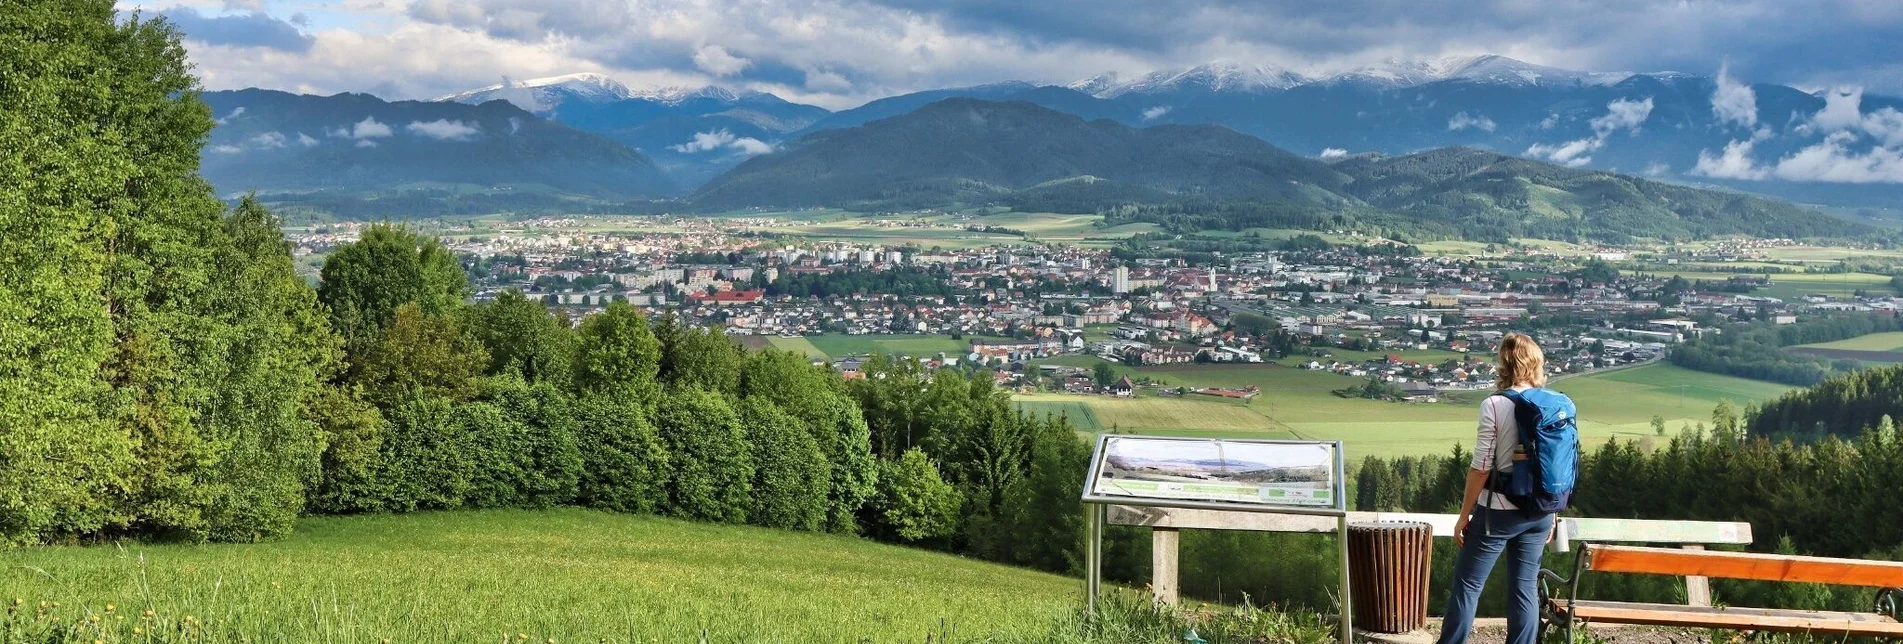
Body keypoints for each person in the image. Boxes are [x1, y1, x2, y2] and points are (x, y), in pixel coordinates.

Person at [1436, 333, 1558, 644]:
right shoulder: (1555, 404)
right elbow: (1556, 466)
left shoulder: (1494, 404)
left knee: (1468, 585)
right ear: (1535, 364)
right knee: (1524, 587)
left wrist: (1464, 516)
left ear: (1503, 364)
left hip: (1498, 513)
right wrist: (1552, 512)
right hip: (1539, 513)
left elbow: (1481, 468)